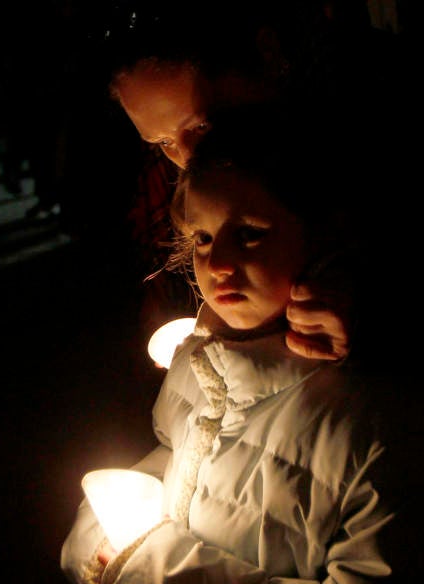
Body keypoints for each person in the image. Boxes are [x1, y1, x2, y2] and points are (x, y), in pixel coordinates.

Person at [61, 101, 424, 584]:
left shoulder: (383, 425)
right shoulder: (201, 369)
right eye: (198, 239)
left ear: (323, 237)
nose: (216, 263)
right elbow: (191, 466)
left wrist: (147, 578)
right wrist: (99, 532)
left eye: (249, 235)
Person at [80, 0, 398, 361]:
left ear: (268, 53)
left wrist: (365, 302)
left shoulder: (375, 117)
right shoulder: (175, 188)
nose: (188, 160)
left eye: (202, 125)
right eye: (163, 143)